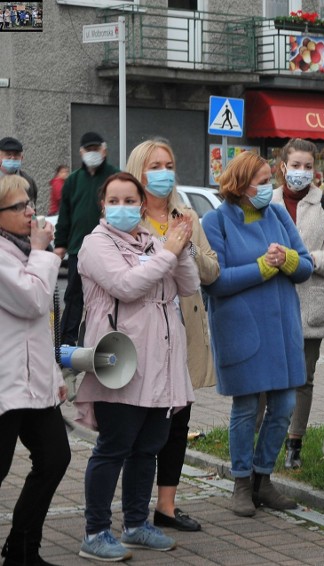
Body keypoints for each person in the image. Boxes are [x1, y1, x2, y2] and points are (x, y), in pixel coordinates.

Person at [75, 172, 199, 561]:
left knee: (148, 447)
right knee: (114, 447)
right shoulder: (95, 244)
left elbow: (190, 285)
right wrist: (168, 253)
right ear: (103, 205)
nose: (124, 207)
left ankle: (135, 525)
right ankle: (95, 532)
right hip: (122, 360)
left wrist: (181, 248)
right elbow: (126, 286)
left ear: (143, 206)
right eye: (116, 200)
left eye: (131, 201)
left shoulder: (152, 241)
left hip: (161, 362)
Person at [201, 151, 313, 517]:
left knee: (283, 405)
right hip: (242, 329)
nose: (270, 188)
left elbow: (306, 265)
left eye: (270, 181)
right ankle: (241, 483)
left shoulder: (278, 213)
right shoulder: (215, 221)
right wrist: (263, 267)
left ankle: (264, 478)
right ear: (241, 184)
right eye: (263, 182)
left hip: (282, 329)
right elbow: (216, 281)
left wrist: (288, 260)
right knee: (247, 406)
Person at [126, 139, 220, 533]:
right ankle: (133, 510)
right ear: (138, 171)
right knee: (142, 424)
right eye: (155, 166)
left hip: (184, 330)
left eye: (169, 164)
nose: (164, 173)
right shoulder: (127, 216)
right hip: (145, 334)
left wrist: (189, 247)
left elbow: (211, 271)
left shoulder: (187, 215)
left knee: (178, 422)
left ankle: (166, 505)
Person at [0, 175, 71, 566]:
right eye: (18, 207)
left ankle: (23, 550)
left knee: (55, 458)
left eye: (29, 202)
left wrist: (55, 375)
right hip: (5, 384)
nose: (30, 211)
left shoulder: (26, 251)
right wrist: (45, 253)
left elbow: (41, 326)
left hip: (34, 381)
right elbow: (32, 300)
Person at [270, 139, 324, 471]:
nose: (301, 172)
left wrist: (306, 260)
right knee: (267, 375)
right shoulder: (266, 201)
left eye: (307, 167)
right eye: (295, 165)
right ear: (282, 166)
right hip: (271, 303)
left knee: (303, 377)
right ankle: (263, 438)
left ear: (316, 170)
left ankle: (294, 442)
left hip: (311, 302)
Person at [54, 132, 119, 346]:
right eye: (88, 150)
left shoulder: (114, 177)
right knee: (73, 296)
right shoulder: (72, 180)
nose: (92, 153)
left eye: (95, 149)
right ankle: (66, 342)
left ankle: (104, 338)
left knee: (106, 296)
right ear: (81, 152)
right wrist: (60, 245)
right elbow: (65, 215)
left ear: (104, 150)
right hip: (77, 249)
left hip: (108, 248)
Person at [0, 137, 37, 205]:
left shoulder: (28, 181)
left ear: (22, 158)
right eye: (8, 154)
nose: (13, 158)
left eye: (16, 154)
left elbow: (32, 207)